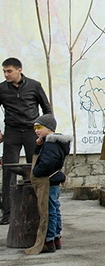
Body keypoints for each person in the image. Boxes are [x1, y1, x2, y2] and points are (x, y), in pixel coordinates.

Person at [0, 58, 52, 225]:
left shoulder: (34, 85)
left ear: (19, 70)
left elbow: (47, 108)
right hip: (12, 132)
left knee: (36, 168)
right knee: (9, 170)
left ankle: (39, 209)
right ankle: (7, 213)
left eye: (9, 71)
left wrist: (46, 129)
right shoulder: (1, 88)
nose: (6, 74)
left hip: (32, 131)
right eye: (4, 71)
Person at [30, 114, 71, 253]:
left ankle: (49, 239)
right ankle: (56, 238)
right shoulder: (52, 142)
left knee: (49, 211)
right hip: (54, 180)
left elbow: (47, 162)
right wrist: (38, 146)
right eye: (34, 128)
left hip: (48, 181)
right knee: (55, 209)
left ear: (49, 128)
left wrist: (36, 171)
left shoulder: (51, 144)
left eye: (39, 127)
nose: (36, 130)